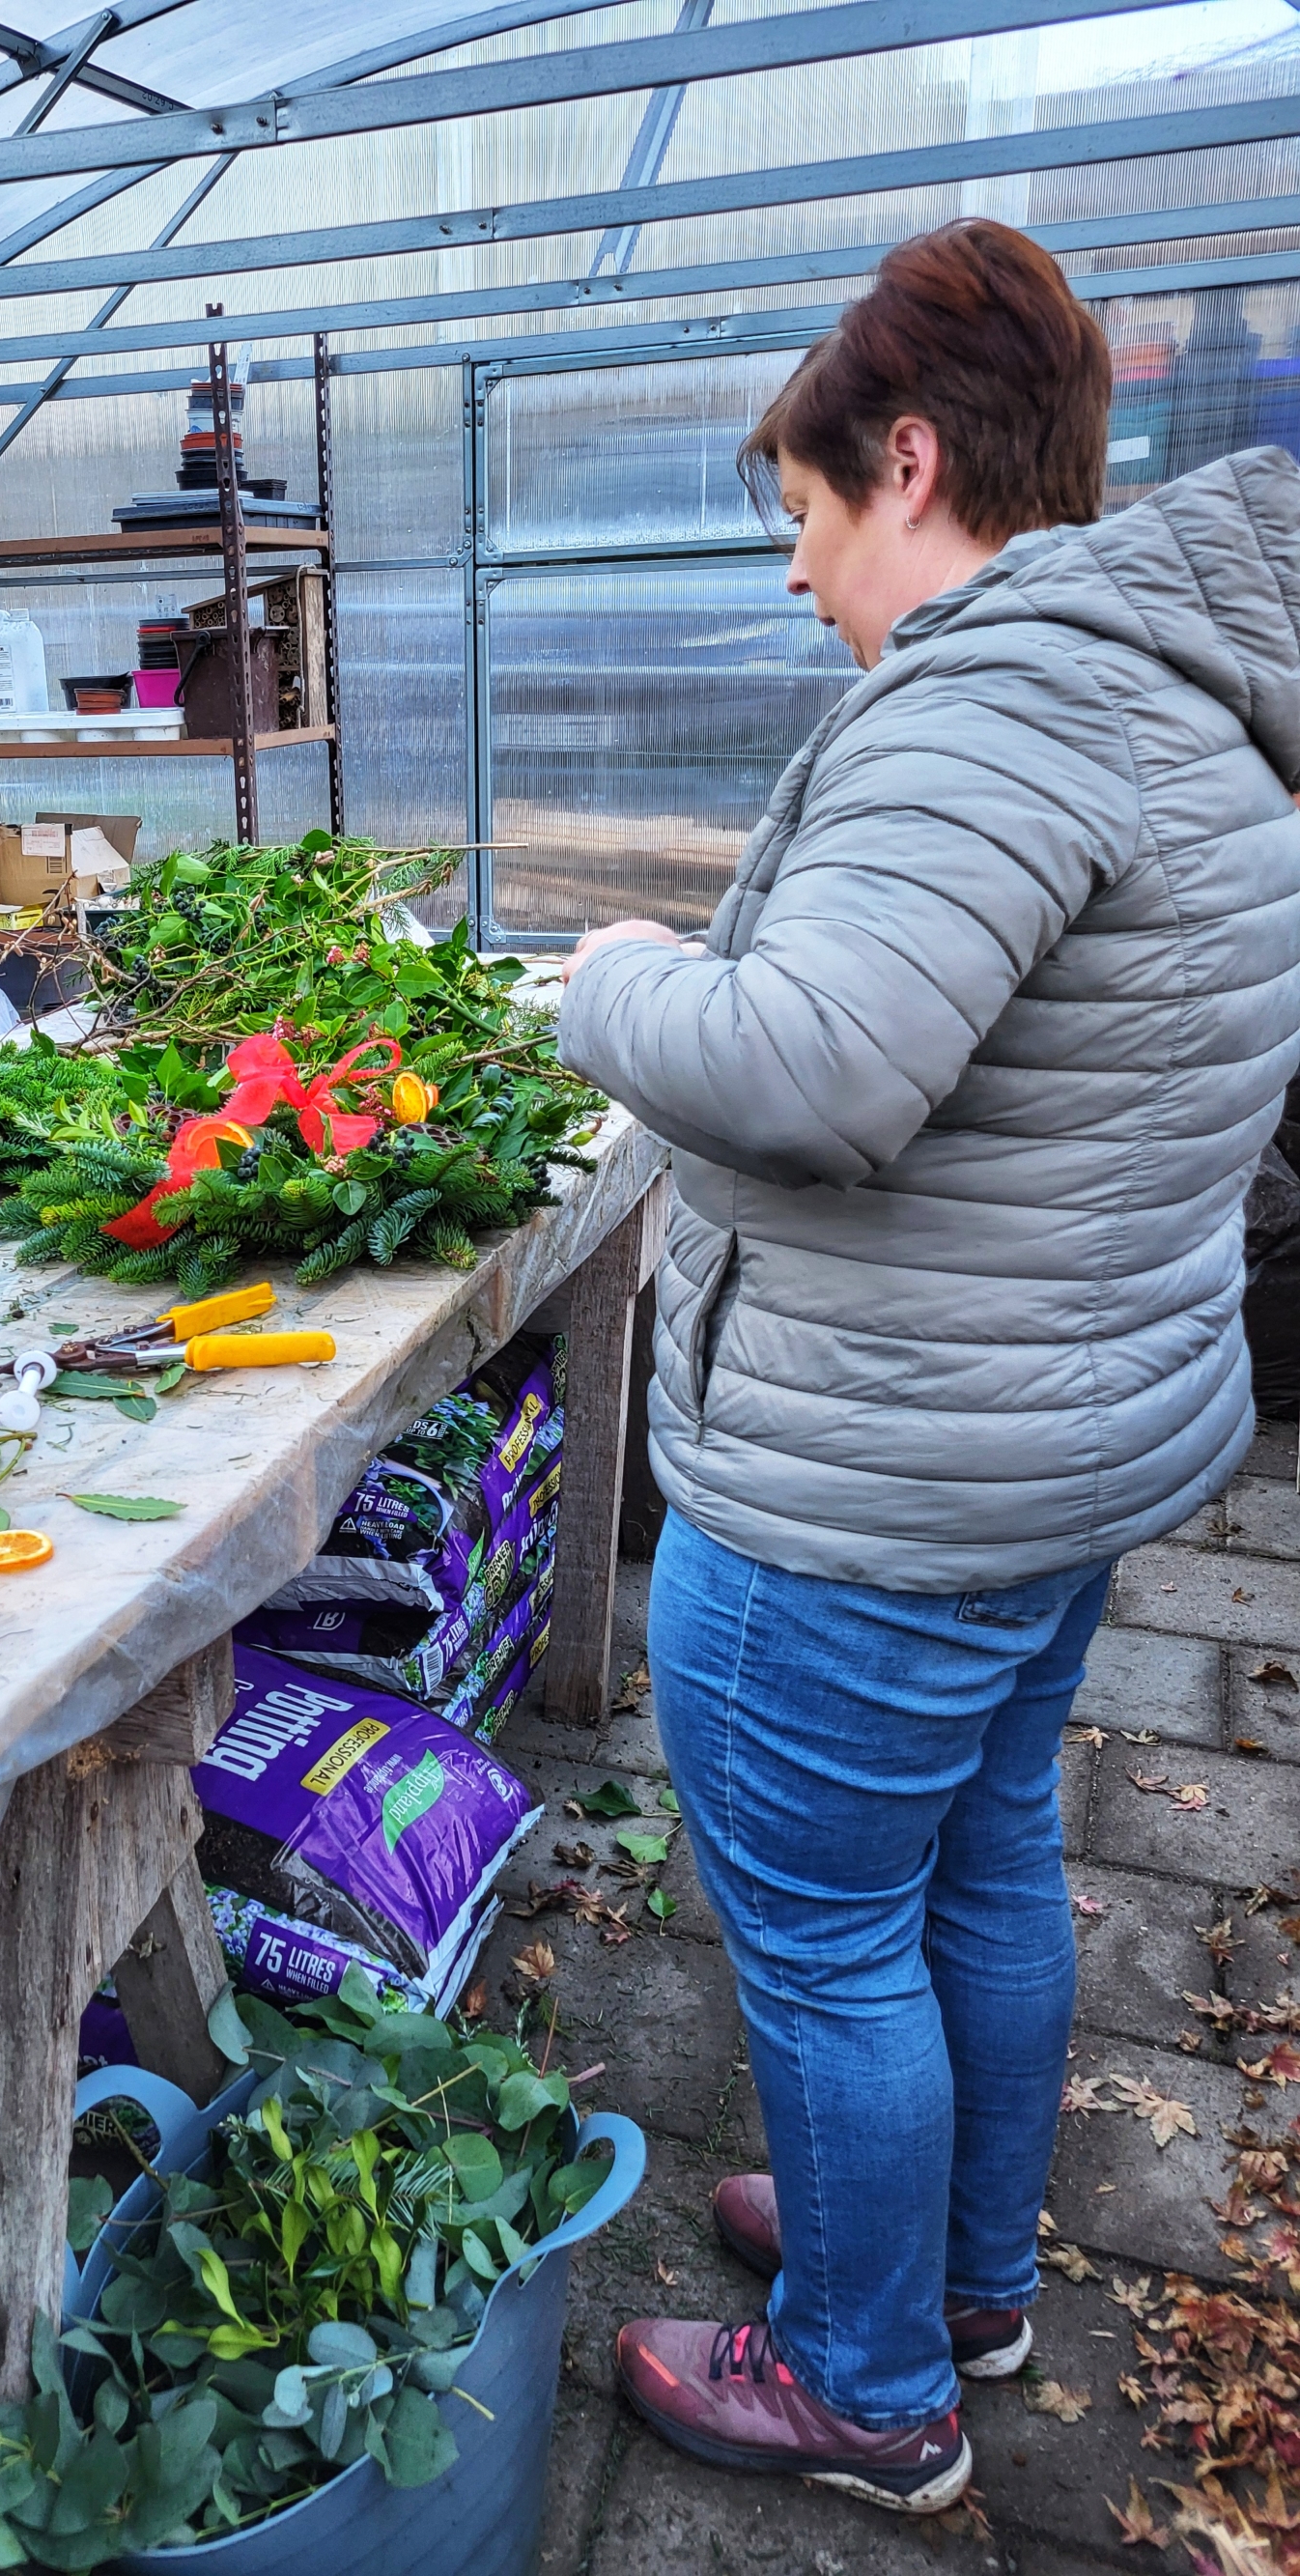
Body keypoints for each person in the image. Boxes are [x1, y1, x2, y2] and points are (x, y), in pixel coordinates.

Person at [558, 217, 1300, 2515]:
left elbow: (813, 1067)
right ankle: (962, 2267)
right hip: (1047, 1447)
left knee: (821, 1937)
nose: (794, 578)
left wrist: (596, 973)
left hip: (870, 1484)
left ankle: (867, 2384)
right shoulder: (1189, 696)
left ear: (902, 459)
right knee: (975, 1865)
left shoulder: (997, 695)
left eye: (796, 517)